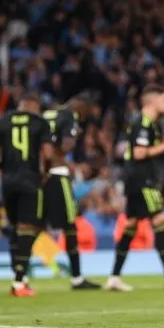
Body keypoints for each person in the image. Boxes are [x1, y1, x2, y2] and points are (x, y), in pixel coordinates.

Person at [107, 85, 164, 292]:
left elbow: (145, 148)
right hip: (143, 181)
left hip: (136, 181)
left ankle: (114, 277)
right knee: (159, 221)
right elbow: (139, 153)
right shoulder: (142, 122)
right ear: (152, 101)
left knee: (130, 225)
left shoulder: (149, 124)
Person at [0, 93, 55, 297]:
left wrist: (2, 166)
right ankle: (20, 280)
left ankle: (17, 275)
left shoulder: (2, 122)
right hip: (30, 180)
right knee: (27, 228)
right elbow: (48, 154)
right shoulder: (40, 123)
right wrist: (45, 172)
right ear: (34, 105)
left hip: (8, 182)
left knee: (15, 228)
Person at [42, 95, 100, 290]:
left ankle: (19, 278)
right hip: (57, 174)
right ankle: (77, 278)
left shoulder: (48, 112)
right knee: (70, 226)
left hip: (38, 174)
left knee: (33, 225)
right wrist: (68, 160)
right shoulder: (69, 115)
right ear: (81, 106)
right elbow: (66, 145)